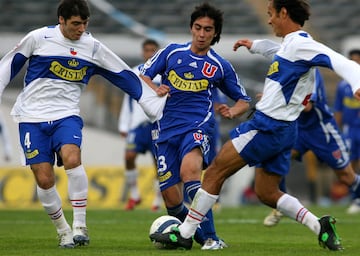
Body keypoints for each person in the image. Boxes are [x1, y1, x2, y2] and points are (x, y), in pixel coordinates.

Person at [150, 0, 360, 251]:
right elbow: (279, 53)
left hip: (267, 126)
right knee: (267, 192)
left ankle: (186, 233)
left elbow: (338, 60)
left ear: (284, 13)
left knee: (216, 171)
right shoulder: (292, 46)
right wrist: (255, 46)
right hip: (286, 130)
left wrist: (357, 83)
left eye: (271, 14)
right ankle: (320, 226)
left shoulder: (303, 44)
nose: (269, 20)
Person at [0, 0, 165, 249]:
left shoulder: (93, 47)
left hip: (67, 115)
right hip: (31, 118)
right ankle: (63, 230)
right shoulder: (38, 38)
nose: (81, 29)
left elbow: (123, 74)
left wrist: (150, 104)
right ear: (62, 20)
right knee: (44, 179)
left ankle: (79, 226)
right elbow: (10, 63)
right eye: (76, 24)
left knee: (72, 158)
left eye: (85, 23)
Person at [142, 2, 251, 250]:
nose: (202, 34)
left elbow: (244, 100)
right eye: (198, 28)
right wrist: (155, 88)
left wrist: (232, 111)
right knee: (171, 198)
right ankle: (195, 236)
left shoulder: (220, 65)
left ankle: (212, 237)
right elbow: (143, 75)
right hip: (165, 129)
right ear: (191, 28)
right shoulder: (171, 53)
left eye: (208, 30)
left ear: (215, 34)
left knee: (190, 173)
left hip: (198, 126)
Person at [263, 68, 360, 226]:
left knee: (346, 177)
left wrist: (280, 102)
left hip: (321, 132)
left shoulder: (310, 73)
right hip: (299, 130)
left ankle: (356, 199)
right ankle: (281, 206)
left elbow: (307, 106)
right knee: (278, 161)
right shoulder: (288, 70)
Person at [118, 38, 163, 211]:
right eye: (147, 50)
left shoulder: (165, 73)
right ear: (142, 52)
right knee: (129, 156)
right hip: (137, 124)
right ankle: (135, 195)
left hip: (157, 124)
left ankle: (157, 201)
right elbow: (127, 100)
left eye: (153, 50)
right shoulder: (134, 72)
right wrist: (124, 124)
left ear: (158, 52)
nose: (150, 53)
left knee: (159, 163)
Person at [334, 49, 360, 214]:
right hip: (350, 130)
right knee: (350, 164)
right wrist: (336, 131)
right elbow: (338, 110)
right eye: (353, 61)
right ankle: (355, 199)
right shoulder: (343, 86)